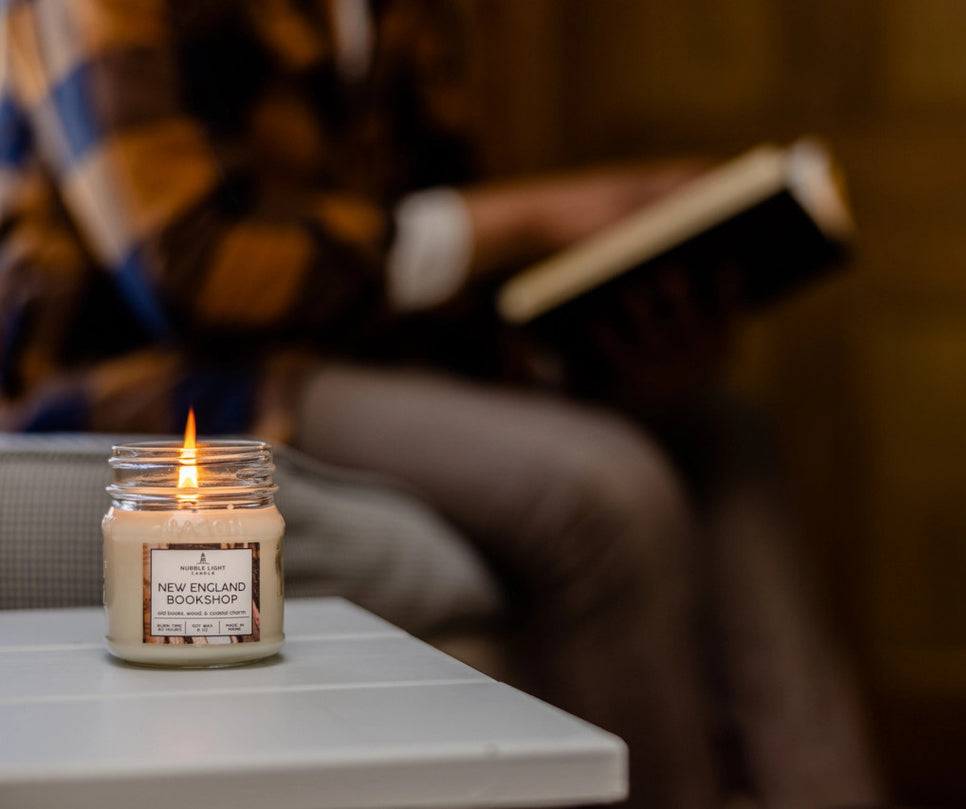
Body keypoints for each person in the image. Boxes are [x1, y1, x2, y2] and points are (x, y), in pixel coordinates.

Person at [0, 1, 882, 806]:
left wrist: (605, 343)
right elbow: (186, 267)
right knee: (606, 488)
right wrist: (535, 218)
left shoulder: (396, 17)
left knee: (725, 432)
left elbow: (442, 267)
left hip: (368, 359)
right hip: (174, 383)